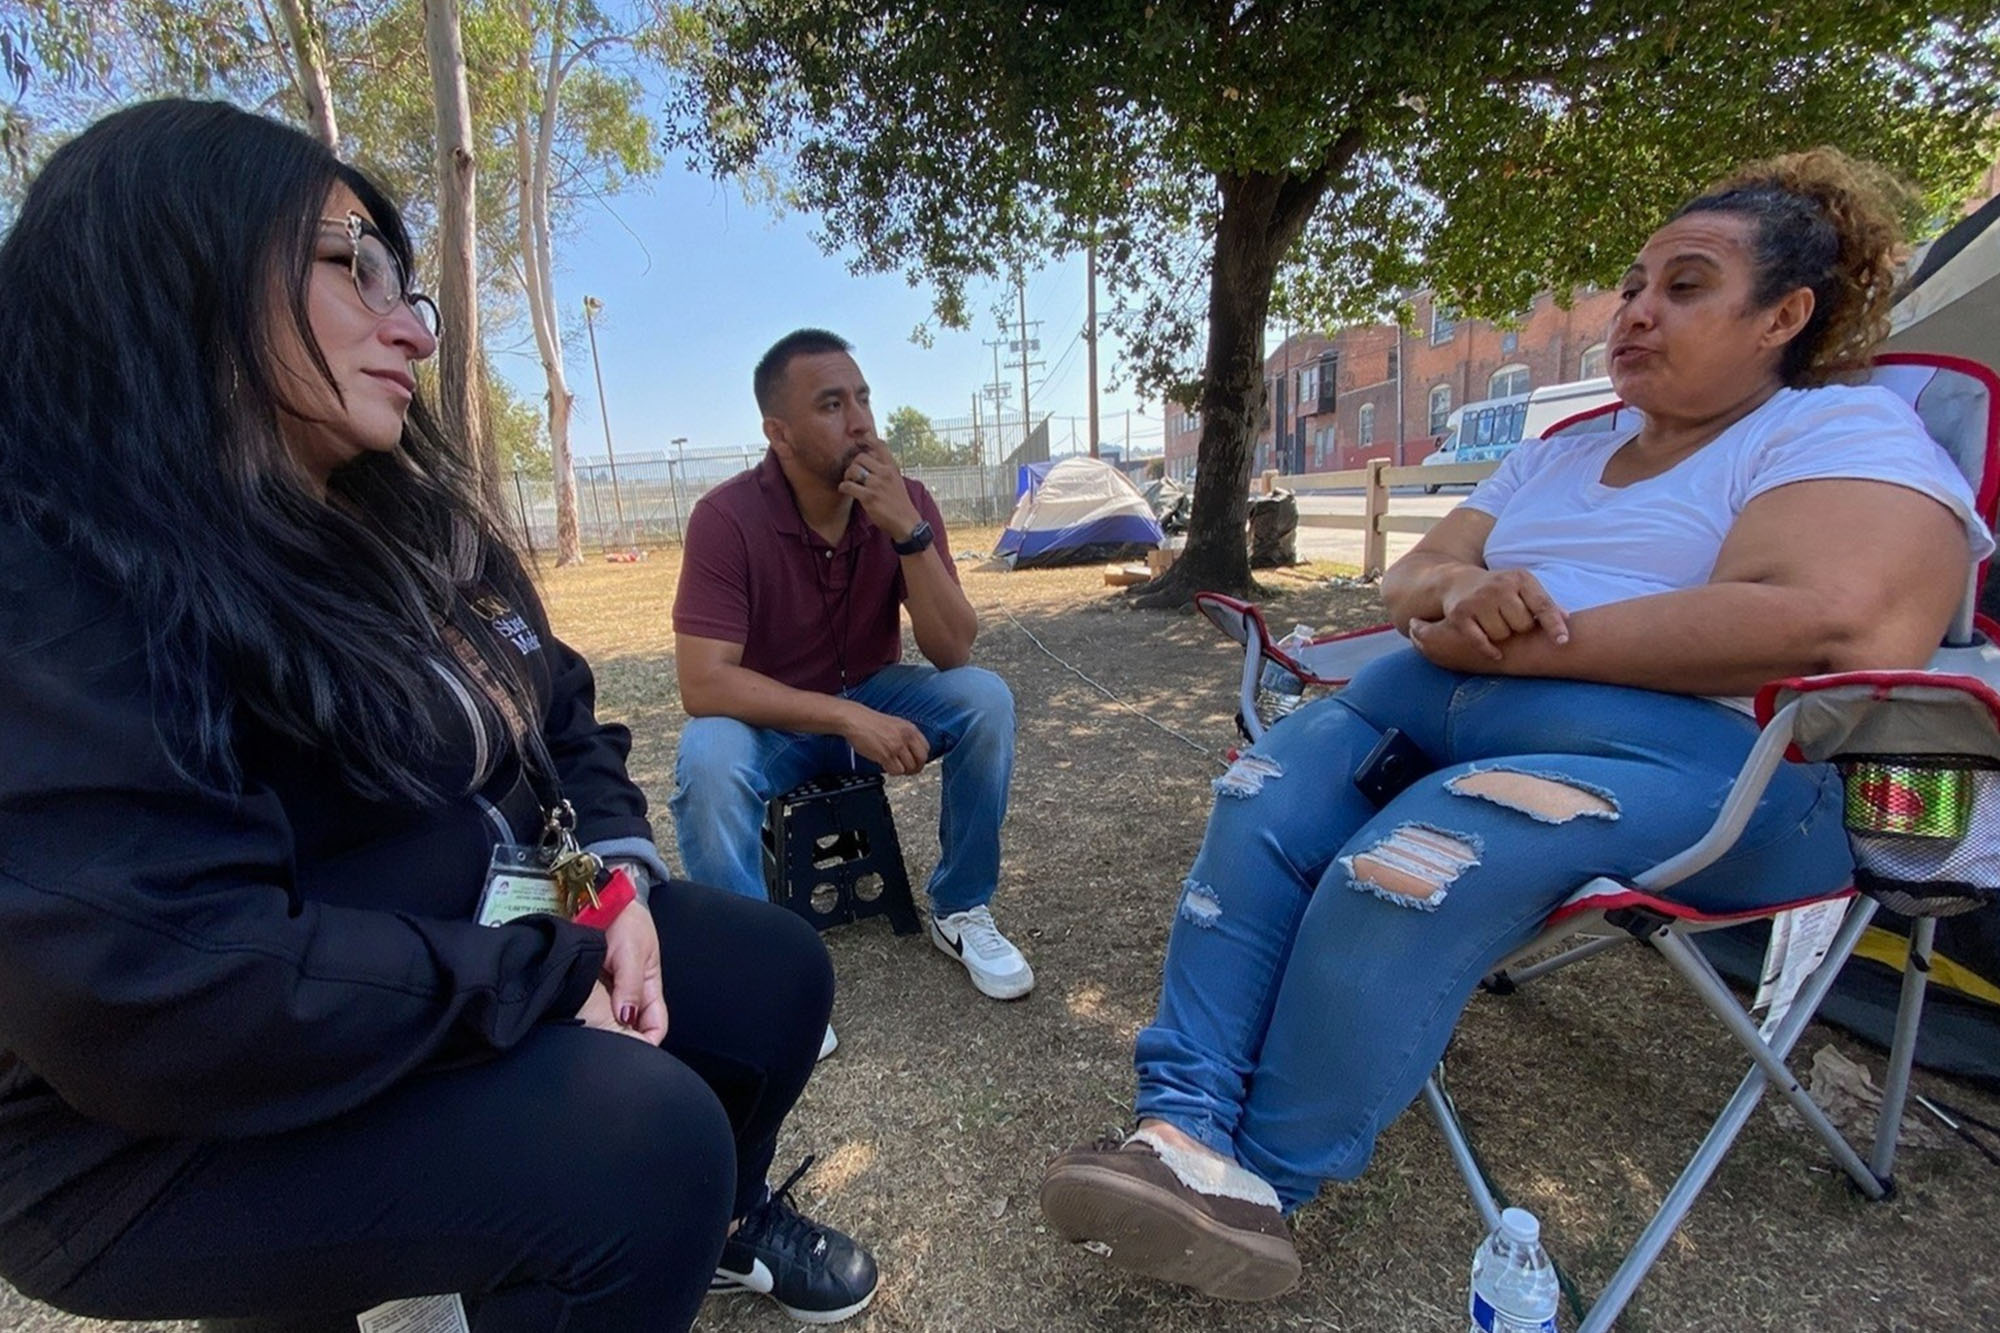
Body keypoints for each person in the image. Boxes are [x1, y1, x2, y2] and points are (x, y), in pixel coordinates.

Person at [1039, 148, 1996, 1300]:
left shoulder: (1830, 436)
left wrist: (1513, 638)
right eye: (1634, 284)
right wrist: (1450, 600)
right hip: (1432, 695)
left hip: (1702, 766)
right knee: (1264, 792)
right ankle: (1178, 1131)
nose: (1634, 310)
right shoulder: (1561, 447)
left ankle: (1256, 1183)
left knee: (1414, 855)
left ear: (1781, 316)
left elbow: (1841, 627)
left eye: (1683, 287)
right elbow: (1415, 573)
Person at [0, 100, 876, 1331]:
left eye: (404, 280)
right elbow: (162, 983)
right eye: (346, 264)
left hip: (450, 949)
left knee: (777, 971)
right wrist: (532, 977)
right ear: (172, 271)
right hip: (142, 1118)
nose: (410, 327)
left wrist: (610, 890)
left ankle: (683, 1229)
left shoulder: (414, 527)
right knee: (640, 1146)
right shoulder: (62, 580)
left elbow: (561, 711)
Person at [670, 329, 1030, 1048]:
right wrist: (844, 717)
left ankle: (960, 908)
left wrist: (908, 531)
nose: (861, 420)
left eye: (862, 397)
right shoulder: (726, 517)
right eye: (832, 404)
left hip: (875, 690)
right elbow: (702, 681)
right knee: (706, 756)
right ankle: (760, 967)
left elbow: (953, 648)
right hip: (775, 724)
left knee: (986, 697)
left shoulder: (907, 499)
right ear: (779, 433)